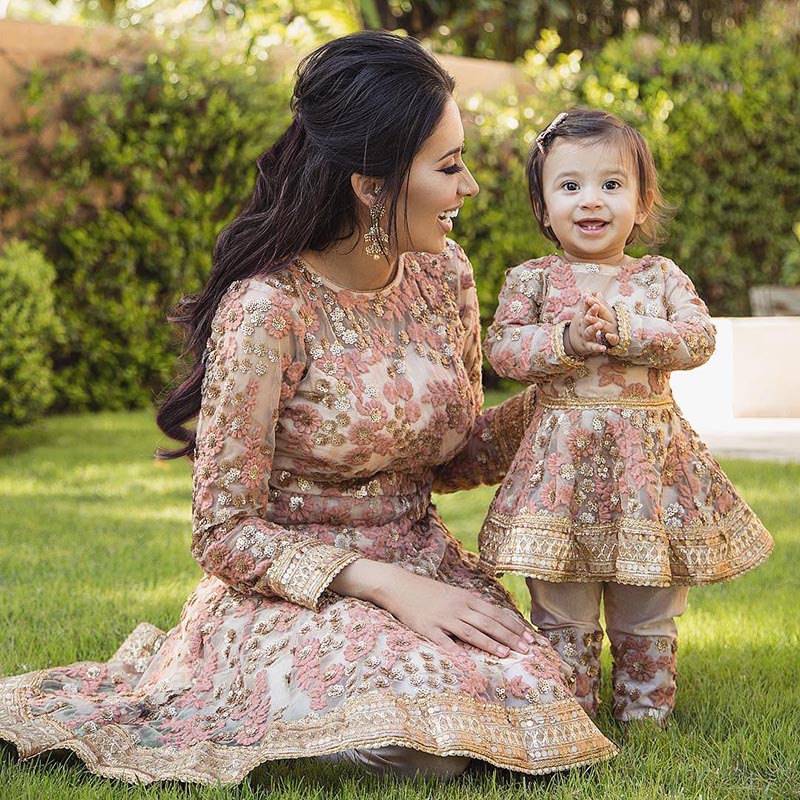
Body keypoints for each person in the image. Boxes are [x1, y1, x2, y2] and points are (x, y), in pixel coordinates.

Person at [0, 36, 617, 784]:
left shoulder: (443, 275)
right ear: (372, 184)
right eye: (450, 167)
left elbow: (452, 456)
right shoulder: (268, 310)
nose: (472, 188)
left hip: (423, 560)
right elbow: (223, 529)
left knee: (526, 700)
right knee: (418, 742)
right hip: (295, 590)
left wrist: (564, 391)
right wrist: (384, 585)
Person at [478, 107, 774, 725]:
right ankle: (570, 712)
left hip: (648, 471)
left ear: (640, 203)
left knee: (649, 591)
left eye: (612, 184)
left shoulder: (659, 278)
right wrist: (565, 340)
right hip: (562, 470)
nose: (592, 200)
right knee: (563, 591)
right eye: (570, 186)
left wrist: (631, 333)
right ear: (543, 208)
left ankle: (646, 709)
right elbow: (503, 348)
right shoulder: (531, 280)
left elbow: (699, 339)